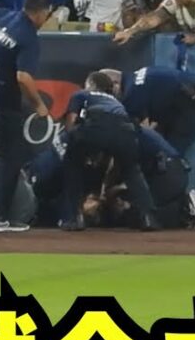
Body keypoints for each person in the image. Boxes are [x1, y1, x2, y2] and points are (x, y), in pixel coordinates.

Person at [0, 0, 53, 233]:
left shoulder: (3, 16)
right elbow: (23, 77)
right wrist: (38, 104)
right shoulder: (28, 36)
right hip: (4, 100)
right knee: (11, 157)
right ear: (43, 12)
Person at [60, 71, 159, 231]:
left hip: (96, 126)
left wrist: (75, 143)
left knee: (72, 165)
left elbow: (71, 122)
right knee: (132, 171)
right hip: (125, 132)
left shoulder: (81, 94)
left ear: (91, 84)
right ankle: (148, 217)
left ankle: (74, 217)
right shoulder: (117, 101)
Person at [104, 65, 195, 154]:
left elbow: (126, 127)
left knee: (169, 151)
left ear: (115, 84)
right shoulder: (140, 74)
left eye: (108, 94)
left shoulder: (132, 91)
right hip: (186, 97)